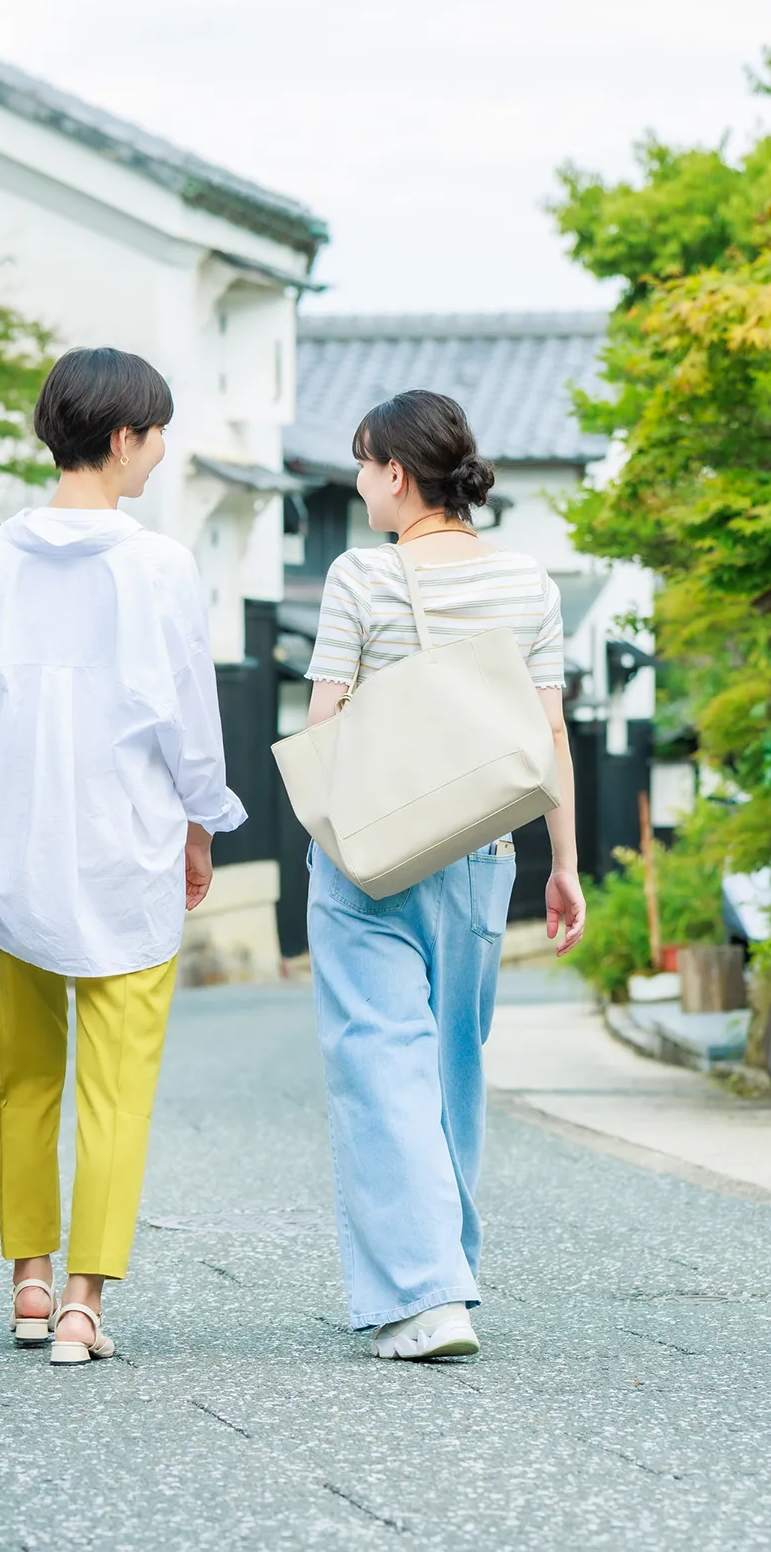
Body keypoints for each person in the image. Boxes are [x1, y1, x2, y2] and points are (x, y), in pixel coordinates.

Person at [0, 346, 245, 1366]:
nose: (157, 452)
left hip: (5, 852)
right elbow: (189, 723)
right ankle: (80, 1305)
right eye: (153, 434)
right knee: (117, 1084)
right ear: (120, 439)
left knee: (22, 1077)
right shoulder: (157, 566)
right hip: (124, 849)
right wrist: (202, 820)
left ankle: (26, 1280)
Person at [304, 389, 585, 1361]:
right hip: (483, 845)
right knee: (451, 1067)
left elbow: (323, 723)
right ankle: (446, 1273)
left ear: (394, 473)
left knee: (378, 1058)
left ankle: (423, 1295)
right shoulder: (531, 586)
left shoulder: (357, 578)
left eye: (361, 463)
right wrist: (564, 865)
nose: (355, 481)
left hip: (373, 847)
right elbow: (547, 734)